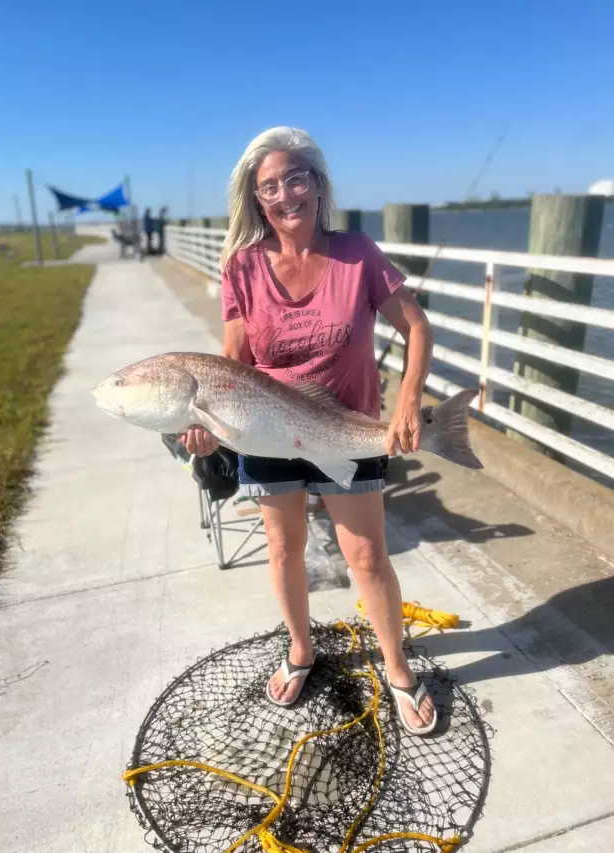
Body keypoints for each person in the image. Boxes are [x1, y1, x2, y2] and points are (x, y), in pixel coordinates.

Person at [179, 127, 437, 736]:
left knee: (367, 555)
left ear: (318, 185)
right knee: (284, 548)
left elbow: (417, 326)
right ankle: (301, 649)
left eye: (295, 178)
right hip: (266, 431)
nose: (284, 194)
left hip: (345, 429)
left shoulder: (358, 254)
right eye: (269, 186)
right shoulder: (241, 265)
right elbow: (233, 363)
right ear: (257, 200)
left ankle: (396, 667)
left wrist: (407, 401)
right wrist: (206, 423)